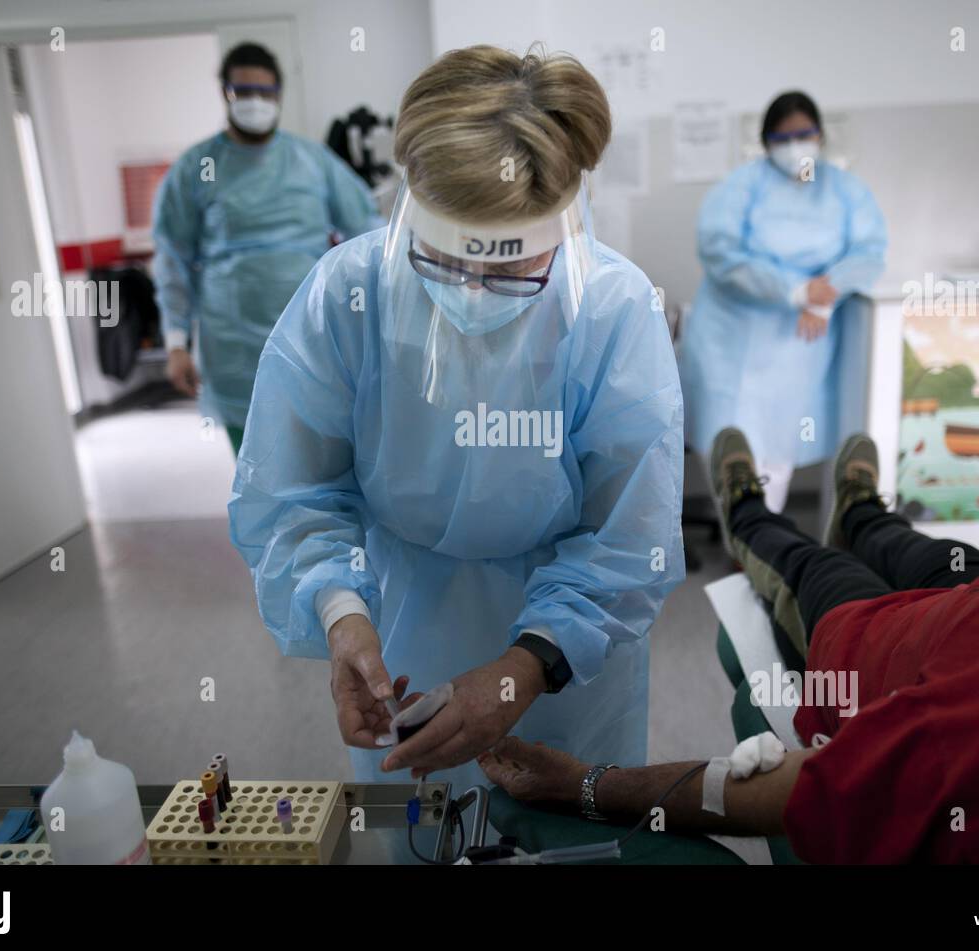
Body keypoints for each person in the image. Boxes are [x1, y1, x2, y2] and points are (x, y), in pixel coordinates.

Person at [228, 46, 685, 799]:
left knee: (564, 828)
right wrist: (342, 616)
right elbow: (293, 488)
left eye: (509, 270)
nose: (473, 295)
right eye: (444, 261)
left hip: (568, 653)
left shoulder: (610, 306)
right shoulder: (350, 293)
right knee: (420, 823)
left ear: (560, 225)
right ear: (409, 210)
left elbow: (628, 538)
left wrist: (525, 668)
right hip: (401, 622)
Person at [481, 428, 979, 863]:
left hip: (882, 636)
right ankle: (863, 509)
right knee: (912, 545)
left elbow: (805, 790)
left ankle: (744, 505)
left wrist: (586, 784)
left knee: (809, 564)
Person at [153, 42, 380, 453]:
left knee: (323, 463)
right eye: (244, 92)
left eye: (266, 93)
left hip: (313, 339)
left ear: (279, 94)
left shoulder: (313, 161)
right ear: (226, 93)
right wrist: (175, 345)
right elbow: (173, 260)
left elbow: (368, 233)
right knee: (253, 463)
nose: (256, 102)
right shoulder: (197, 168)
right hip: (233, 348)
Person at [679, 91, 887, 511]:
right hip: (730, 337)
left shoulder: (846, 191)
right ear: (766, 142)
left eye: (804, 135)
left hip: (799, 344)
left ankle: (760, 537)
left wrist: (825, 294)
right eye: (783, 138)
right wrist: (792, 290)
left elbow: (868, 251)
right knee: (729, 440)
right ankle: (739, 536)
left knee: (780, 440)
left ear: (821, 136)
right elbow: (720, 252)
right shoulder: (740, 187)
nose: (795, 147)